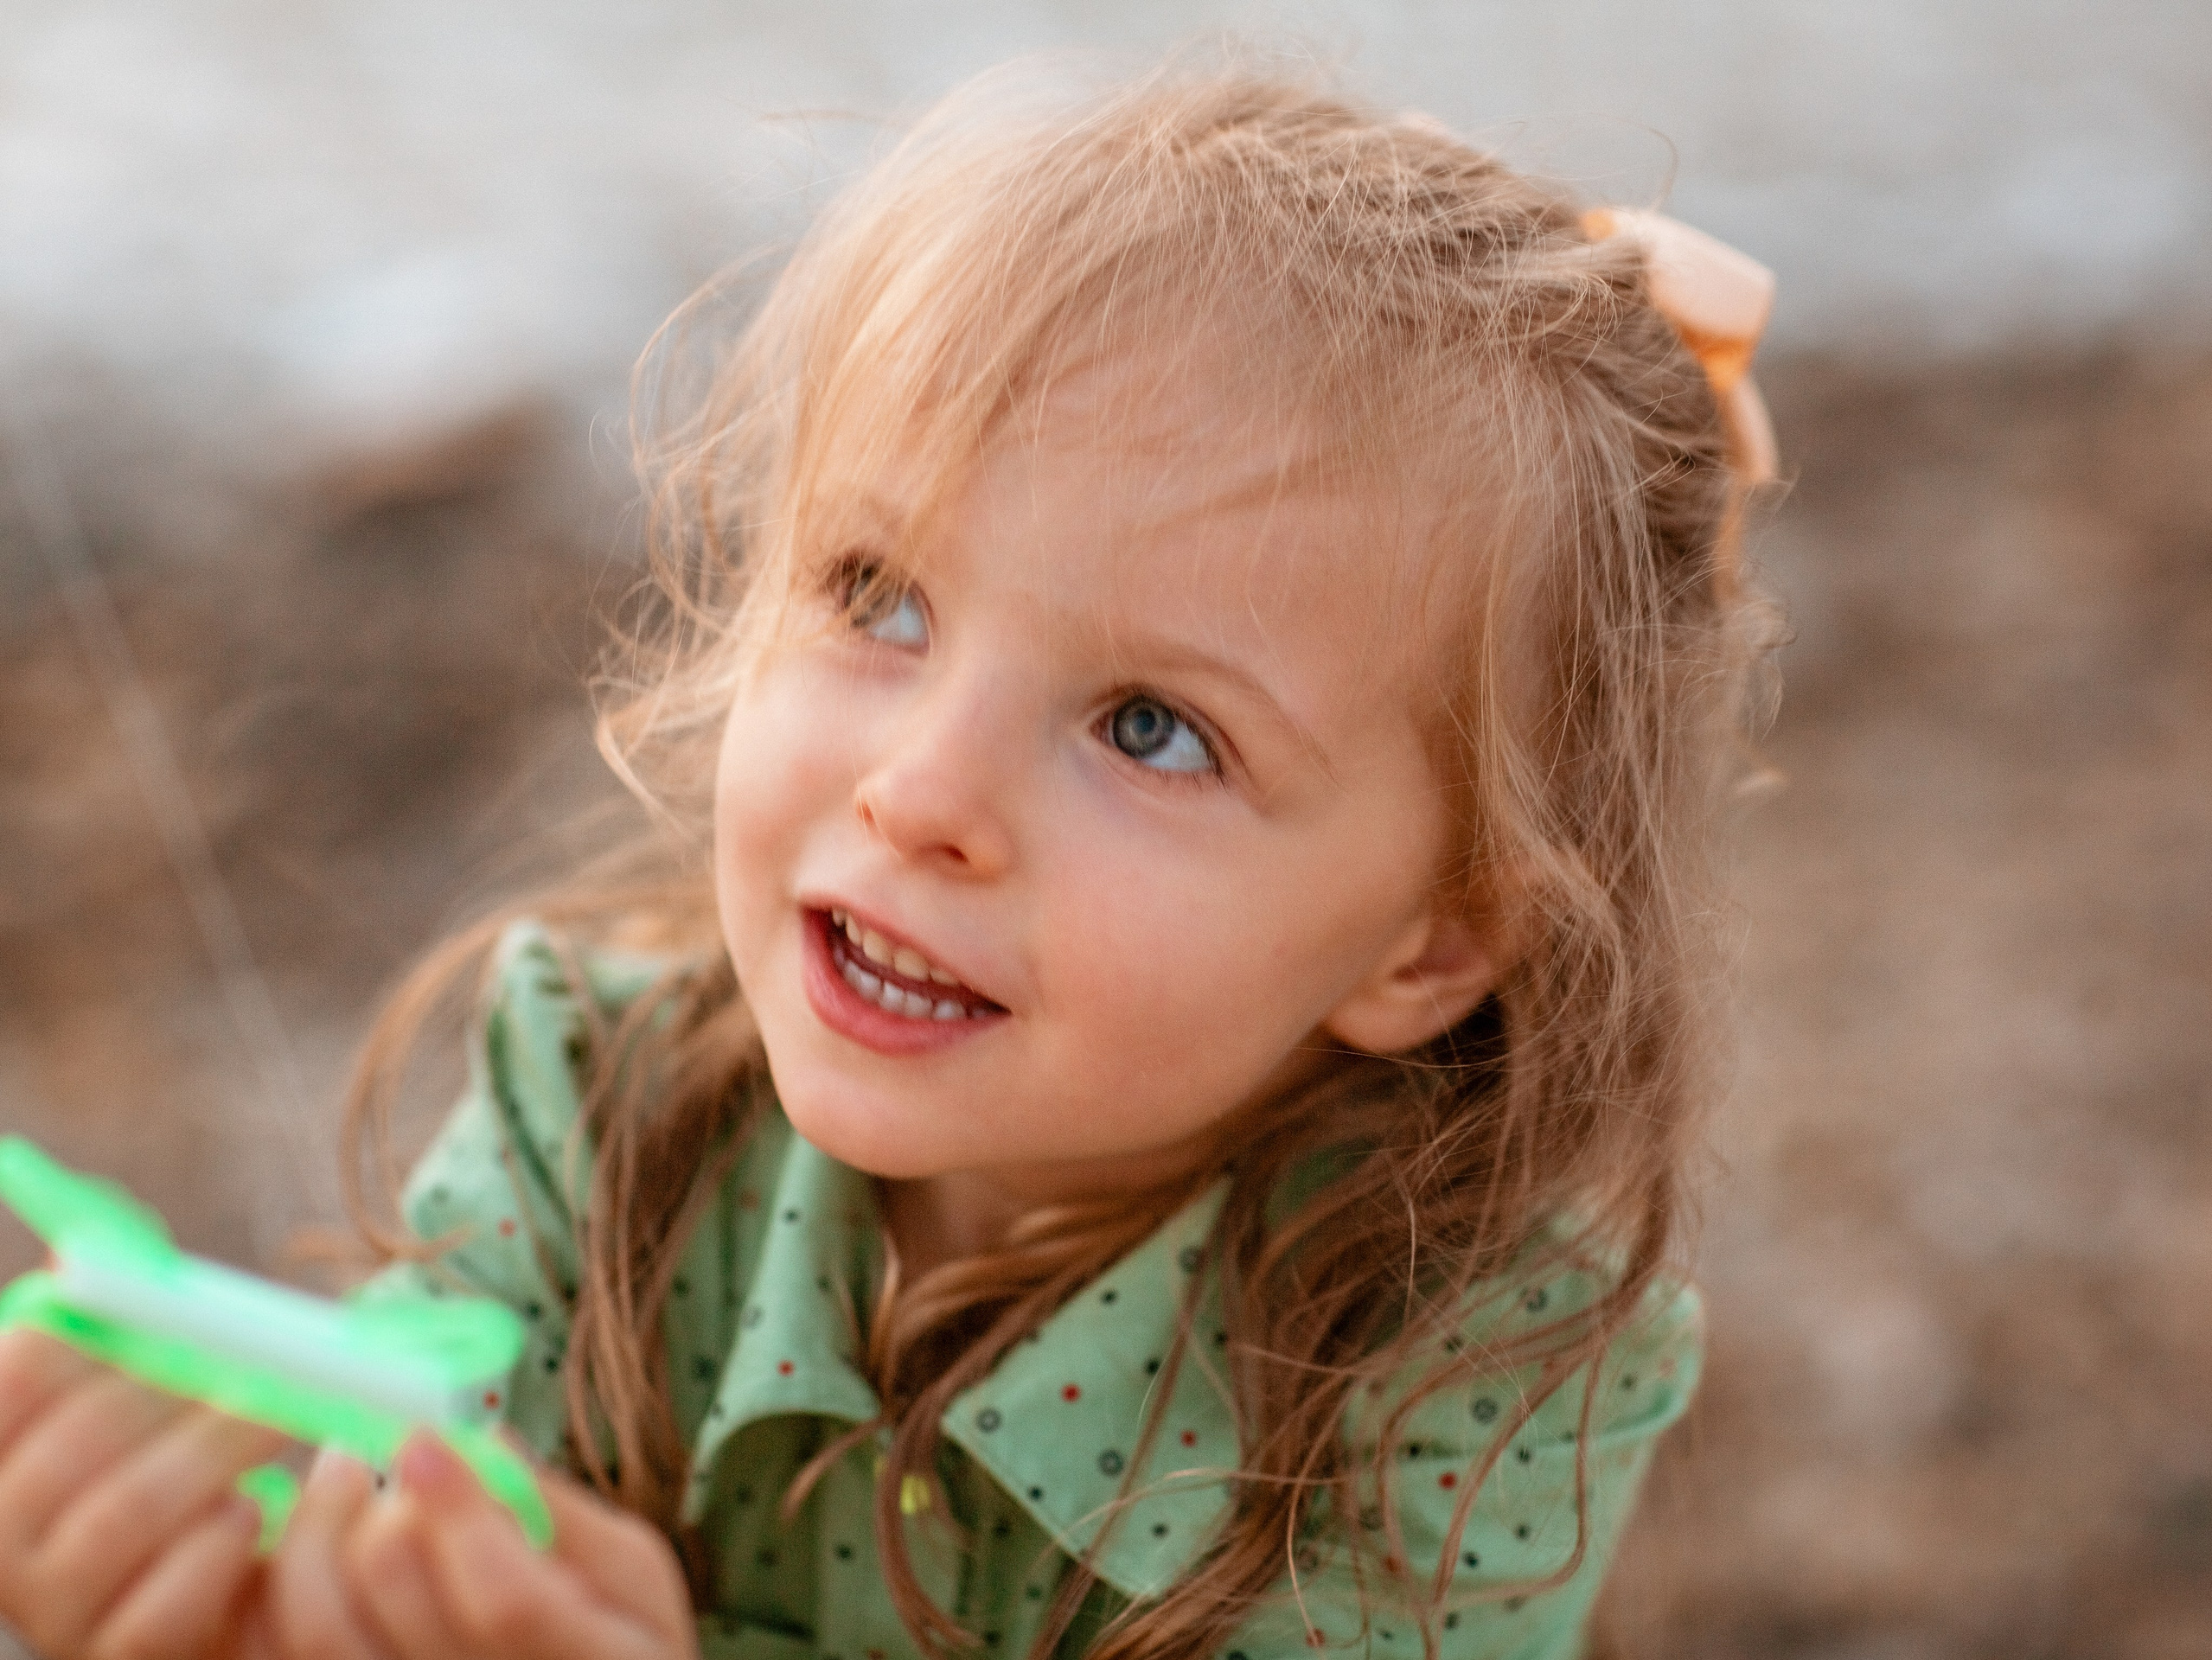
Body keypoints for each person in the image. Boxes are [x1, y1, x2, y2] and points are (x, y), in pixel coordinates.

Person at [0, 54, 1780, 1660]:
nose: (919, 793)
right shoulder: (587, 1104)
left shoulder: (1471, 1368)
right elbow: (392, 1527)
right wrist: (224, 1602)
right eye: (880, 596)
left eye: (1149, 728)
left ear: (1428, 945)